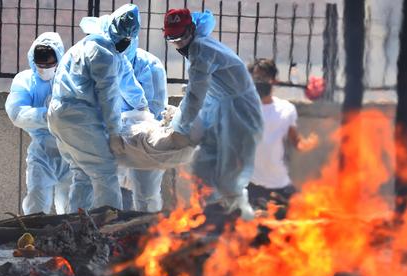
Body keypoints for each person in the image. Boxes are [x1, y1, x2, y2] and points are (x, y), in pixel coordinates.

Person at [161, 8, 263, 224]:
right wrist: (180, 118)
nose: (178, 44)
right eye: (173, 40)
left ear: (191, 29)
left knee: (229, 178)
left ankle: (242, 226)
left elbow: (195, 95)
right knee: (204, 168)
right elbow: (200, 93)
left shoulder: (201, 49)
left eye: (181, 37)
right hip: (220, 110)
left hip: (239, 114)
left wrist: (180, 128)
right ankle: (212, 221)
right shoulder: (197, 47)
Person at [48, 5, 150, 212]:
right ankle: (110, 231)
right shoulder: (102, 52)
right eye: (123, 36)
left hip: (61, 117)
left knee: (83, 173)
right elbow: (109, 94)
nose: (125, 41)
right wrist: (114, 132)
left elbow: (129, 84)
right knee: (105, 172)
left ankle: (77, 228)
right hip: (79, 118)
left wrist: (144, 108)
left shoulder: (95, 49)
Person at [107, 4, 168, 212]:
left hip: (143, 141)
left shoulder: (151, 65)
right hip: (114, 138)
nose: (123, 44)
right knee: (111, 199)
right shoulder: (106, 59)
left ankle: (150, 240)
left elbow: (157, 109)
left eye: (127, 39)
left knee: (146, 196)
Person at [5, 32, 71, 215]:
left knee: (72, 208)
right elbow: (17, 113)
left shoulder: (68, 80)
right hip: (42, 153)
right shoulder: (25, 80)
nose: (44, 69)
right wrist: (52, 116)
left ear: (58, 59)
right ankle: (34, 240)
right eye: (40, 65)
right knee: (37, 202)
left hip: (71, 150)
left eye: (49, 64)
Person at [247, 58, 311, 218]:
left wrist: (308, 144)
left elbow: (296, 142)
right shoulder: (243, 107)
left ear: (273, 80)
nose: (259, 82)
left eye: (263, 78)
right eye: (256, 78)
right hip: (252, 185)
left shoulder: (286, 109)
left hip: (280, 184)